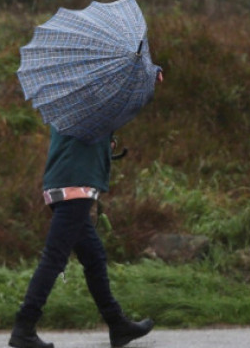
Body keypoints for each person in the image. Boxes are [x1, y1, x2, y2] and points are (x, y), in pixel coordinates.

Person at [9, 71, 164, 348]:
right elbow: (125, 104)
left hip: (62, 185)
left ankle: (118, 325)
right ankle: (24, 327)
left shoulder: (72, 99)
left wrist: (107, 142)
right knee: (54, 258)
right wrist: (147, 75)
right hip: (74, 188)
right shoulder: (90, 100)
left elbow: (87, 137)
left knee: (93, 256)